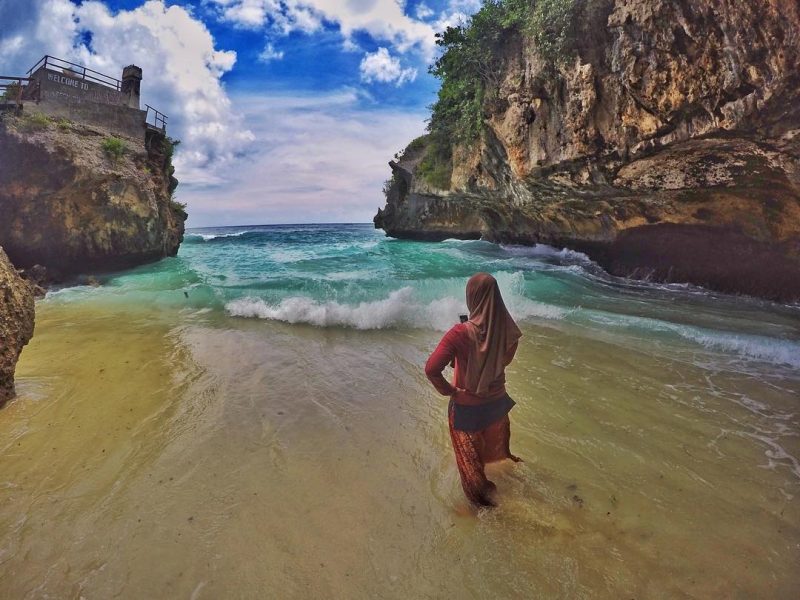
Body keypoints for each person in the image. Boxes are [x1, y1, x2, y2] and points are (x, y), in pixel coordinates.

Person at [425, 272, 523, 507]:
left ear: (472, 297)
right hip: (498, 406)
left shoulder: (459, 333)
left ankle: (487, 510)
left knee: (472, 470)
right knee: (494, 454)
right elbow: (503, 362)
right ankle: (510, 496)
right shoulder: (509, 330)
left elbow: (431, 369)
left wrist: (450, 390)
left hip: (467, 409)